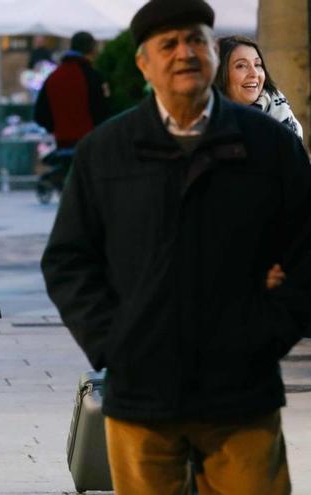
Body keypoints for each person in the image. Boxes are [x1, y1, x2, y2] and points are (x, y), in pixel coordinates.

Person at [40, 1, 311, 494]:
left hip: (242, 396)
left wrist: (271, 332)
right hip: (142, 398)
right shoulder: (106, 150)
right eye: (168, 44)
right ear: (144, 63)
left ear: (212, 51)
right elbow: (68, 260)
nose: (184, 52)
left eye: (195, 40)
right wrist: (113, 345)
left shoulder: (270, 146)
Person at [214, 35, 303, 140]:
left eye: (257, 65)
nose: (254, 73)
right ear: (219, 74)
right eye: (241, 66)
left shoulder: (279, 110)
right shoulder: (204, 123)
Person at [33, 31, 109, 150]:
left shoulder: (53, 77)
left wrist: (57, 128)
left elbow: (40, 115)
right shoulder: (93, 76)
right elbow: (102, 112)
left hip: (62, 144)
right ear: (92, 50)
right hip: (89, 144)